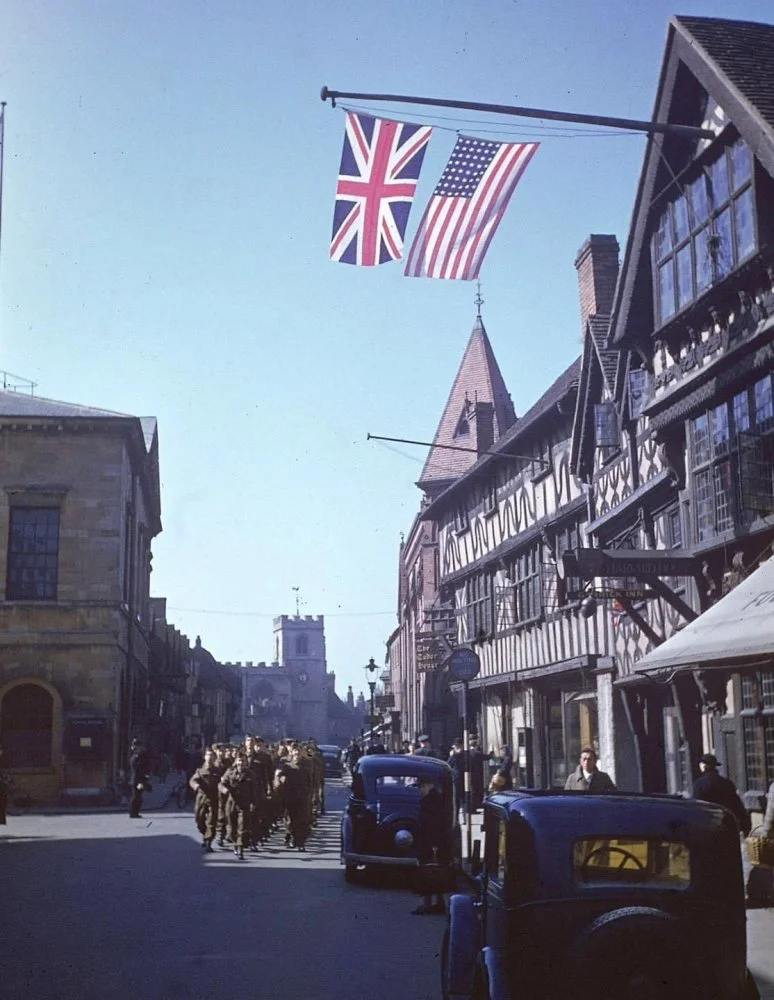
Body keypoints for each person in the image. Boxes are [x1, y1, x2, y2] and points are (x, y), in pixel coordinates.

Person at [412, 774, 451, 916]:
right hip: (435, 841)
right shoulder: (436, 799)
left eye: (422, 786)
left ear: (430, 785)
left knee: (427, 871)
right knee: (437, 871)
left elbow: (433, 824)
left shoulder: (430, 801)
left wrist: (433, 843)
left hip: (430, 841)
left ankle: (427, 904)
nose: (421, 789)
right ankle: (439, 902)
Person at [692, 753, 751, 835]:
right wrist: (745, 825)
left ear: (704, 766)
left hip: (708, 825)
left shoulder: (699, 785)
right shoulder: (727, 783)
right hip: (726, 823)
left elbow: (696, 807)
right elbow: (737, 805)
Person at [189, 748, 221, 852]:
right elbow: (193, 780)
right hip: (201, 797)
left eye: (212, 755)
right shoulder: (200, 770)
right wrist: (196, 786)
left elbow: (223, 782)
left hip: (213, 798)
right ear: (204, 757)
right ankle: (204, 833)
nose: (210, 757)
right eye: (208, 755)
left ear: (214, 757)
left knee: (212, 821)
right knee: (199, 820)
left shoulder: (218, 771)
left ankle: (208, 841)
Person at [128, 738, 150, 818]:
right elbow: (140, 769)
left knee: (138, 796)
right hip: (137, 781)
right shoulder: (137, 757)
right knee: (136, 796)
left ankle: (135, 812)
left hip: (138, 780)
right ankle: (133, 812)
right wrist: (145, 777)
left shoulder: (137, 756)